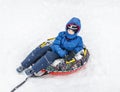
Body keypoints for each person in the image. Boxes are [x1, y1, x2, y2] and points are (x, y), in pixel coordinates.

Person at [16, 17, 83, 76]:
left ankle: (33, 69)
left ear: (76, 31)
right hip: (55, 48)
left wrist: (73, 52)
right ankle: (24, 65)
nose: (70, 32)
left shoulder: (78, 39)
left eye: (72, 30)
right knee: (40, 50)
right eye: (69, 29)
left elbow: (80, 47)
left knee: (49, 56)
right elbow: (56, 43)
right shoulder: (62, 34)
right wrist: (61, 52)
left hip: (60, 54)